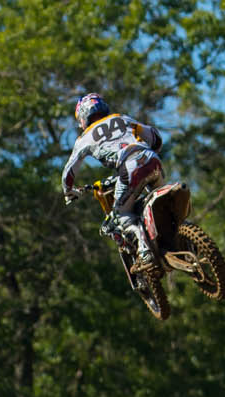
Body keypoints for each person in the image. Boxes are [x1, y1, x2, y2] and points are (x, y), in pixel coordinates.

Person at [62, 94, 165, 271]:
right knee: (159, 199)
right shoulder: (121, 118)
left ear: (84, 116)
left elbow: (69, 171)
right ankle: (179, 233)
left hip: (130, 167)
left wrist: (69, 191)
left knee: (120, 214)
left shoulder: (84, 138)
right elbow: (155, 137)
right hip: (152, 160)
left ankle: (145, 250)